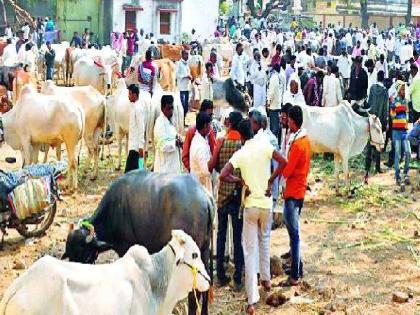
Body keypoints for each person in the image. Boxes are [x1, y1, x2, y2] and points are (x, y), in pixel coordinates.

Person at [220, 119, 286, 315]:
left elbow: (223, 174)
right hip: (266, 205)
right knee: (264, 241)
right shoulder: (264, 144)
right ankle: (266, 280)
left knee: (249, 251)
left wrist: (240, 181)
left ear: (241, 136)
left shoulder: (241, 153)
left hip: (250, 206)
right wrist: (270, 181)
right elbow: (284, 162)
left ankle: (252, 299)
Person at [269, 105, 311, 287]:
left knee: (294, 233)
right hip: (298, 189)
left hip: (293, 192)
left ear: (293, 121)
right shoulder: (305, 140)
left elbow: (287, 170)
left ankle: (295, 274)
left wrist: (276, 171)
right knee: (294, 232)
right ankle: (297, 267)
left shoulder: (298, 144)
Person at [209, 111, 244, 291]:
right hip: (237, 195)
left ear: (229, 123)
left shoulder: (221, 140)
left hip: (222, 194)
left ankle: (220, 275)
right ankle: (238, 276)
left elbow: (213, 165)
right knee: (237, 237)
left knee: (221, 235)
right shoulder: (242, 143)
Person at [364, 71, 388, 182]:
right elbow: (385, 108)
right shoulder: (384, 91)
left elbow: (368, 103)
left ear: (377, 78)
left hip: (371, 118)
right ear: (383, 79)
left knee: (369, 143)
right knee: (378, 143)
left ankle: (367, 167)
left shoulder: (372, 88)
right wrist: (384, 122)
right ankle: (377, 167)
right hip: (379, 119)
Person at [182, 100, 216, 171]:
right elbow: (185, 156)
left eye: (211, 115)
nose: (210, 118)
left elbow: (213, 150)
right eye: (209, 115)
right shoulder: (192, 131)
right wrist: (193, 169)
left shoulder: (210, 130)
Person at [154, 95, 182, 174]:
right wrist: (175, 143)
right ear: (162, 109)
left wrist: (178, 139)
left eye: (172, 108)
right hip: (164, 169)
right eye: (168, 108)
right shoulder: (160, 124)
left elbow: (172, 136)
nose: (171, 111)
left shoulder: (171, 120)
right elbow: (162, 145)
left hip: (173, 166)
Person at [390, 81, 411, 186]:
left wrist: (407, 125)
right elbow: (392, 116)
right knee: (397, 155)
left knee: (408, 152)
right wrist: (393, 105)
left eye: (404, 89)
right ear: (398, 90)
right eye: (402, 89)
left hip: (404, 132)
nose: (404, 91)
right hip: (396, 132)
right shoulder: (394, 101)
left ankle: (406, 174)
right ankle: (398, 177)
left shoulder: (406, 101)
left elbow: (406, 116)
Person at [189, 112, 214, 193]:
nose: (211, 127)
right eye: (209, 125)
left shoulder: (200, 139)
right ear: (205, 126)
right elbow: (205, 170)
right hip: (201, 188)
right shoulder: (200, 146)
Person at [125, 84, 146, 173]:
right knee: (136, 173)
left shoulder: (138, 108)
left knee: (130, 174)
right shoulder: (134, 107)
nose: (128, 96)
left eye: (130, 94)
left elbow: (141, 127)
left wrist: (141, 147)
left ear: (135, 95)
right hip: (133, 146)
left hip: (136, 148)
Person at [267, 63, 286, 141]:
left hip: (273, 106)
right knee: (277, 127)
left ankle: (274, 144)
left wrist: (268, 102)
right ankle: (277, 143)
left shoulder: (274, 78)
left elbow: (271, 92)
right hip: (278, 105)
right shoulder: (279, 77)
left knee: (274, 128)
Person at [176, 50, 192, 118]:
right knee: (182, 105)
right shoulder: (178, 63)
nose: (187, 56)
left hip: (187, 87)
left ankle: (183, 120)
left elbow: (189, 73)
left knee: (186, 106)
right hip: (181, 88)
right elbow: (176, 75)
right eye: (186, 54)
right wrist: (186, 76)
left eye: (188, 54)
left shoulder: (187, 64)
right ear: (182, 55)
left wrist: (190, 76)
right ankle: (181, 120)